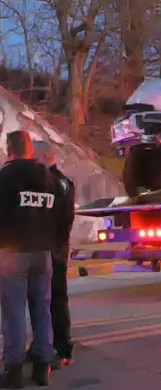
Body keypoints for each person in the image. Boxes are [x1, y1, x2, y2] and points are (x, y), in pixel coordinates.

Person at [0, 131, 57, 388]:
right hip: (43, 253)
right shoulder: (49, 178)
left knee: (13, 312)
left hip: (13, 253)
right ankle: (42, 367)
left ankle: (13, 371)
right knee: (42, 309)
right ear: (30, 150)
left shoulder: (5, 178)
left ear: (9, 149)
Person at [26, 140, 75, 370]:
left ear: (45, 156)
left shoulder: (58, 183)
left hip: (54, 250)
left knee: (54, 299)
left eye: (34, 156)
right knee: (40, 300)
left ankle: (62, 348)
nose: (31, 161)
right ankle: (41, 345)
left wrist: (54, 245)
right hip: (48, 248)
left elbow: (63, 219)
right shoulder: (52, 181)